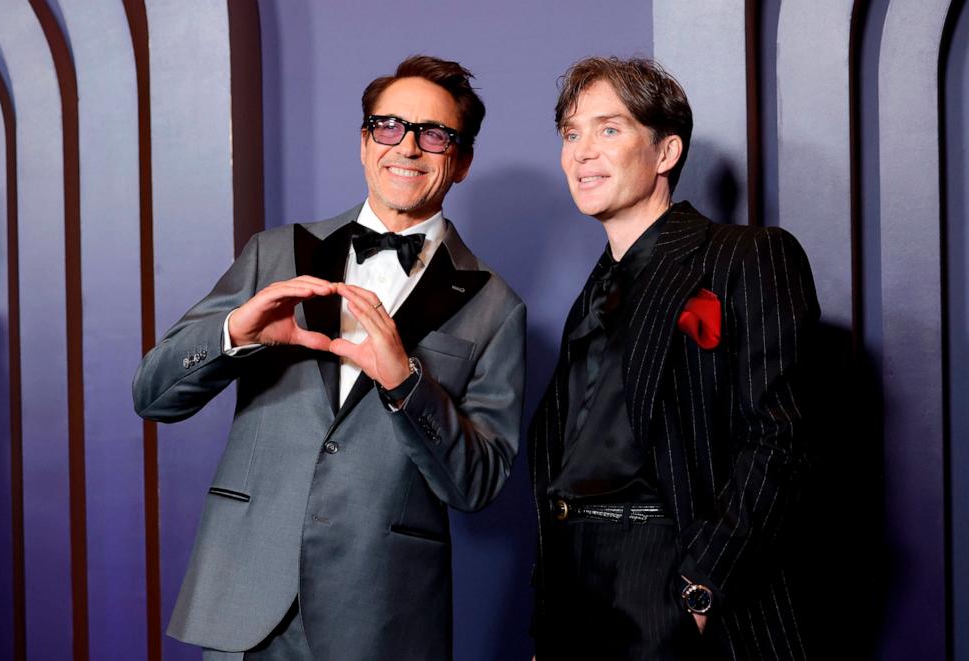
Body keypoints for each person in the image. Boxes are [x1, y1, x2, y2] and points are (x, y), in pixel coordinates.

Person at [133, 55, 526, 660]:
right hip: (246, 598)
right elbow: (153, 395)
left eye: (435, 134)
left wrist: (405, 383)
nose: (408, 148)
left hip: (383, 614)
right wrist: (237, 332)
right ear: (365, 141)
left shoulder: (497, 306)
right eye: (389, 126)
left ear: (463, 160)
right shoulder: (274, 253)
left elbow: (477, 485)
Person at [529, 56, 819, 660]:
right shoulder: (592, 292)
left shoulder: (747, 255)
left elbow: (780, 438)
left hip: (669, 568)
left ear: (664, 154)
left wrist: (700, 588)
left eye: (609, 129)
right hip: (573, 580)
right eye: (571, 133)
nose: (582, 151)